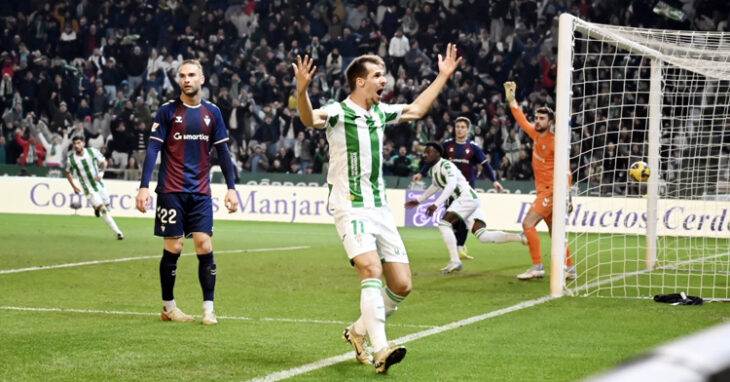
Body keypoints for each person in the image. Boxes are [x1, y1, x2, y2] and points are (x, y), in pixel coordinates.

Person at [292, 44, 462, 374]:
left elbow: (415, 110)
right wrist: (302, 92)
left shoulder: (379, 114)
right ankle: (381, 347)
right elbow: (310, 118)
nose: (384, 80)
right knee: (371, 270)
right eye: (378, 75)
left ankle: (357, 332)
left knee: (401, 285)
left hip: (380, 209)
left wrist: (443, 76)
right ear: (360, 82)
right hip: (350, 208)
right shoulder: (340, 112)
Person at [135, 59, 239, 326]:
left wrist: (231, 189)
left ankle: (208, 308)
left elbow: (223, 152)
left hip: (201, 192)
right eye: (182, 76)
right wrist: (144, 186)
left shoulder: (213, 112)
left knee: (205, 245)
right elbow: (153, 150)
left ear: (202, 79)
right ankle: (169, 306)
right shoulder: (168, 112)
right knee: (175, 246)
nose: (186, 80)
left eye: (191, 75)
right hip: (171, 190)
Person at [406, 142, 524, 272]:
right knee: (483, 236)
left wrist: (435, 204)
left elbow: (451, 186)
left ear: (438, 153)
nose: (425, 155)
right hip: (470, 199)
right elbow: (435, 186)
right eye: (425, 152)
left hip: (466, 197)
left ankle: (455, 261)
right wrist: (419, 200)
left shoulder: (446, 165)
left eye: (428, 152)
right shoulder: (434, 170)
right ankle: (520, 237)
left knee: (444, 224)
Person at [503, 81, 575, 280]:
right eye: (537, 118)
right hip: (545, 190)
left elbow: (567, 171)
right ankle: (569, 268)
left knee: (528, 223)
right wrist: (512, 101)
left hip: (551, 191)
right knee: (555, 232)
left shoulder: (554, 142)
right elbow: (521, 120)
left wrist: (568, 197)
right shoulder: (535, 134)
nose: (537, 121)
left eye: (542, 118)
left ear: (550, 122)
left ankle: (537, 267)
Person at [413, 116, 504, 268]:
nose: (459, 129)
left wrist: (494, 180)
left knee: (459, 221)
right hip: (450, 190)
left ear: (468, 130)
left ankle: (459, 250)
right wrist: (421, 173)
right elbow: (432, 159)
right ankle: (457, 252)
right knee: (453, 221)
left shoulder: (473, 148)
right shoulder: (447, 146)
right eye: (457, 127)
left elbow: (485, 165)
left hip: (466, 190)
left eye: (463, 127)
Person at [65, 135, 124, 240]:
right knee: (104, 210)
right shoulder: (71, 160)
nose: (76, 145)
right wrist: (73, 186)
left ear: (83, 143)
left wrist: (101, 173)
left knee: (108, 206)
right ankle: (118, 232)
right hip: (88, 189)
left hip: (99, 184)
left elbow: (104, 162)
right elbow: (68, 172)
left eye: (78, 143)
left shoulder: (92, 151)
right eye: (74, 144)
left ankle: (96, 208)